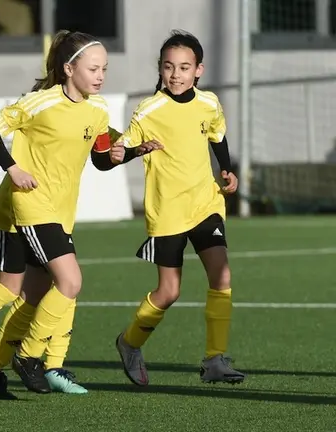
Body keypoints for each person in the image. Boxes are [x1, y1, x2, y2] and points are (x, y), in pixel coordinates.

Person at [0, 31, 160, 397]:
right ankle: (30, 356)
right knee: (65, 282)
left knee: (32, 294)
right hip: (28, 206)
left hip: (59, 211)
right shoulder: (40, 103)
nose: (101, 75)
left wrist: (130, 152)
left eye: (105, 68)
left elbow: (101, 158)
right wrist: (12, 168)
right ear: (69, 69)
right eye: (93, 68)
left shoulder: (98, 109)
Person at [112, 30, 245, 387]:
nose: (176, 74)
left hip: (205, 204)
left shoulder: (209, 103)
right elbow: (120, 150)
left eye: (184, 67)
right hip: (167, 211)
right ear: (160, 68)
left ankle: (215, 359)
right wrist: (115, 153)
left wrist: (227, 170)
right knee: (169, 292)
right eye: (169, 67)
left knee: (222, 275)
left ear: (198, 70)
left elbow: (217, 136)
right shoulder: (149, 109)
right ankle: (129, 343)